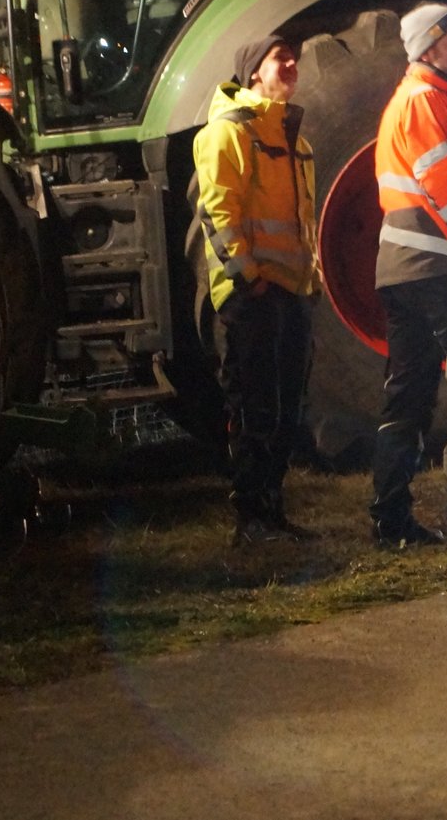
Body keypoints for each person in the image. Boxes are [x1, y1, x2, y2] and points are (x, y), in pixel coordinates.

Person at [193, 33, 320, 544]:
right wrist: (249, 279)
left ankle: (272, 512)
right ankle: (250, 518)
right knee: (255, 409)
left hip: (290, 293)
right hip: (253, 298)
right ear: (253, 73)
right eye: (278, 58)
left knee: (287, 409)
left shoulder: (297, 140)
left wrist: (306, 283)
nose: (290, 64)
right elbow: (218, 214)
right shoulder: (227, 134)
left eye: (293, 56)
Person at [368, 3, 447, 548]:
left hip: (403, 270)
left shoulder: (427, 99)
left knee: (409, 396)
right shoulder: (424, 103)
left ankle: (391, 520)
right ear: (429, 49)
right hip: (433, 267)